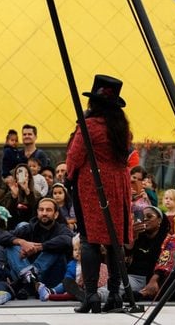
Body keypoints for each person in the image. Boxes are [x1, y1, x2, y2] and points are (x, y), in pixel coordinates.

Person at [66, 74, 132, 313]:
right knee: (115, 241)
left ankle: (92, 295)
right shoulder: (122, 128)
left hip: (92, 185)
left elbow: (75, 157)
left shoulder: (89, 126)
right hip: (118, 185)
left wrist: (69, 176)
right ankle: (115, 294)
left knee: (89, 239)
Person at [1, 197, 73, 298]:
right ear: (37, 212)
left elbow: (67, 240)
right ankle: (31, 281)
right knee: (11, 246)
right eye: (41, 210)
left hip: (52, 277)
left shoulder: (61, 229)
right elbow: (2, 236)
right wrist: (22, 242)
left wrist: (40, 247)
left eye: (48, 210)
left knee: (56, 246)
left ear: (56, 214)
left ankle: (29, 280)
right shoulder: (31, 227)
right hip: (27, 275)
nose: (44, 213)